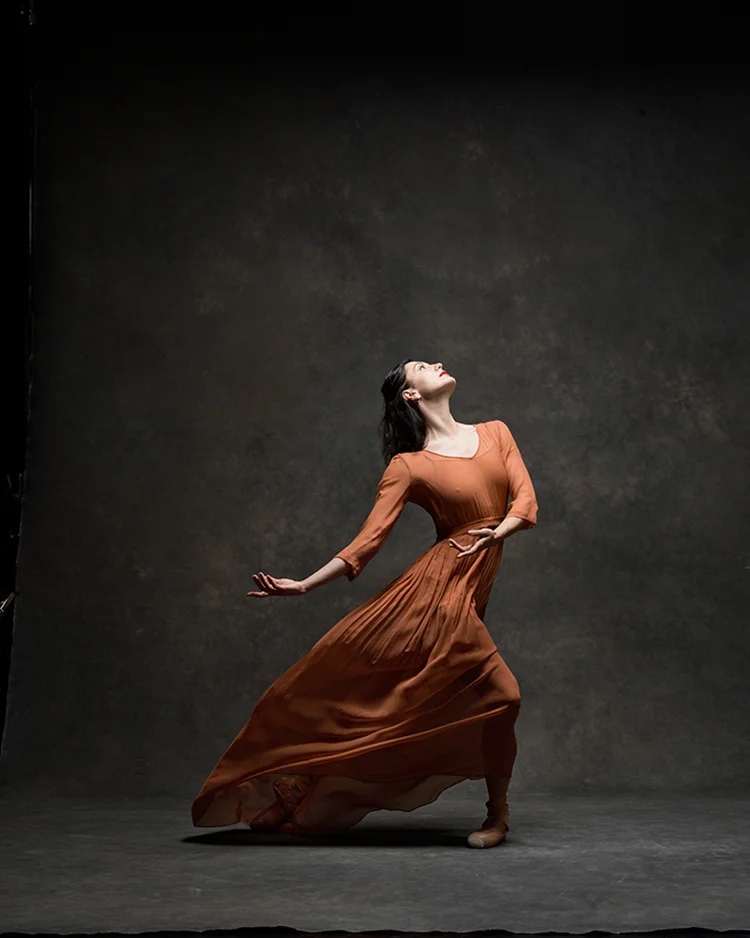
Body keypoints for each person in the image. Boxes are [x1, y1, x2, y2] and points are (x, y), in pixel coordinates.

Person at [191, 358, 538, 849]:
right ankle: (496, 817)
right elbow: (367, 541)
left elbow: (524, 504)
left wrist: (493, 534)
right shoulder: (409, 466)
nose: (437, 363)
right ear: (410, 396)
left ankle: (298, 789)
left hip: (465, 584)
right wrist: (305, 584)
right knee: (501, 697)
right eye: (421, 366)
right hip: (436, 597)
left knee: (397, 704)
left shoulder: (496, 432)